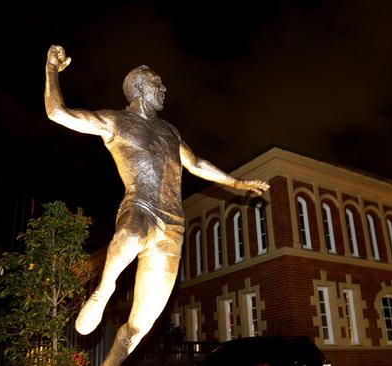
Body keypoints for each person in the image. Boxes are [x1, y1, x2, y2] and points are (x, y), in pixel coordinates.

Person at [45, 45, 269, 366]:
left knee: (140, 325)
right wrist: (51, 70)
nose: (163, 89)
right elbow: (57, 112)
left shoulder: (170, 132)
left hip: (173, 227)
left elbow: (198, 163)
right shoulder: (115, 121)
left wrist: (236, 183)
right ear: (139, 87)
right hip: (140, 208)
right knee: (133, 235)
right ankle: (104, 289)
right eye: (157, 83)